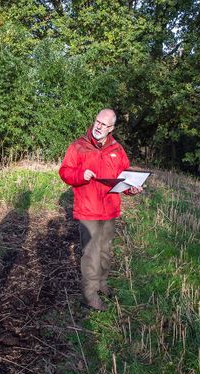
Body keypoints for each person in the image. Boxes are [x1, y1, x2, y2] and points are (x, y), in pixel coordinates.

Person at [59, 109, 142, 311]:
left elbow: (125, 176)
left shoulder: (117, 149)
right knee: (91, 254)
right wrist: (80, 174)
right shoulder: (78, 146)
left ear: (111, 128)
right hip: (88, 210)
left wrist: (133, 188)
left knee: (105, 252)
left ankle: (102, 284)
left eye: (105, 125)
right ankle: (89, 296)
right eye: (98, 122)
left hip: (110, 209)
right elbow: (64, 171)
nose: (99, 127)